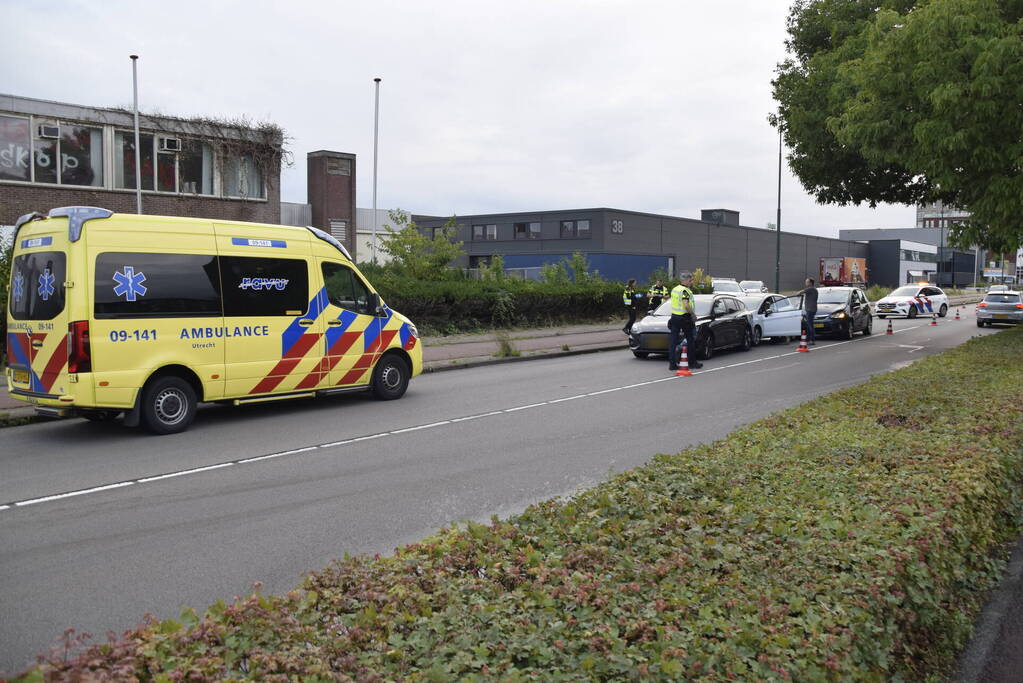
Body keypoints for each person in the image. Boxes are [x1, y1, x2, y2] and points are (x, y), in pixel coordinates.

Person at [668, 272, 703, 371]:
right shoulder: (685, 291)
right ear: (687, 280)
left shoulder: (675, 289)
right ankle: (692, 363)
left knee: (673, 341)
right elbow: (686, 305)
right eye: (691, 280)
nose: (692, 282)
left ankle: (672, 364)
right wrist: (693, 314)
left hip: (674, 317)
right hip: (685, 318)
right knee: (690, 339)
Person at [798, 277, 818, 345]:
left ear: (810, 283)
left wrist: (797, 294)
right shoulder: (813, 289)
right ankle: (810, 339)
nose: (805, 283)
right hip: (811, 309)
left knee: (809, 325)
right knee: (810, 324)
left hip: (810, 309)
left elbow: (800, 292)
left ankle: (812, 340)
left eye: (807, 282)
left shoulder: (810, 288)